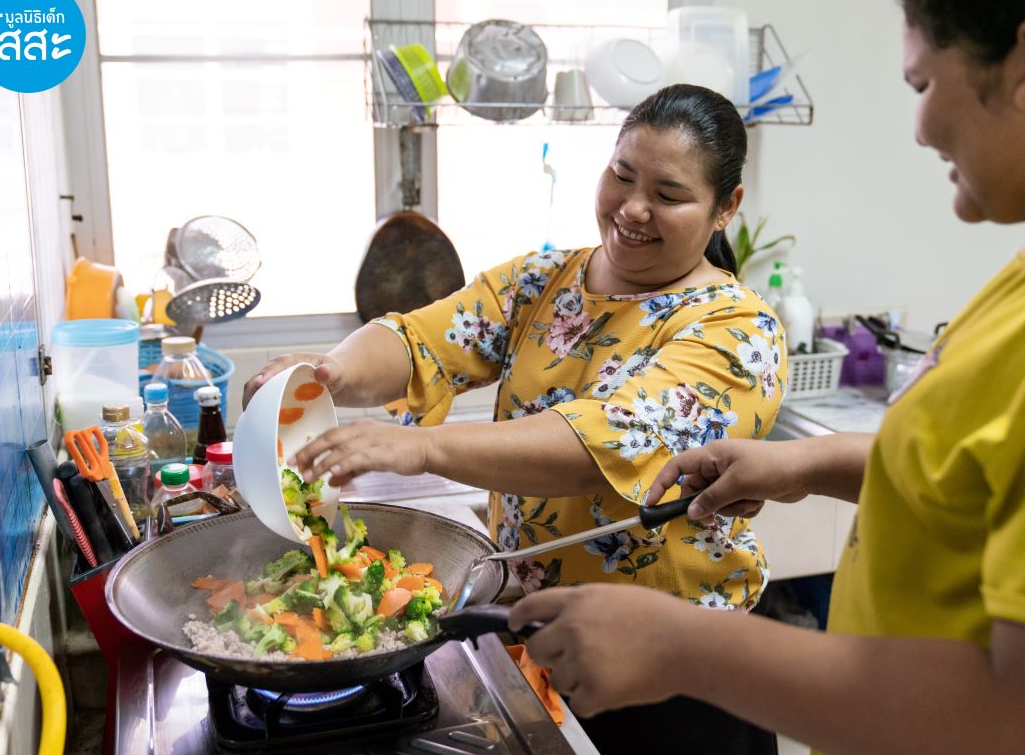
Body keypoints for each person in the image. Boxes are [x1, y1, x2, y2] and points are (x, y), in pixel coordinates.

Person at [509, 0, 1025, 753]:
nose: (922, 128)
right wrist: (807, 469)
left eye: (922, 86)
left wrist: (683, 647)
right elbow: (999, 476)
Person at [244, 84, 788, 753]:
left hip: (677, 665)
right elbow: (421, 339)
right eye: (621, 176)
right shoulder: (545, 280)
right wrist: (328, 373)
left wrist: (421, 449)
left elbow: (604, 441)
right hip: (538, 632)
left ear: (726, 207)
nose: (633, 209)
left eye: (669, 195)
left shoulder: (737, 330)